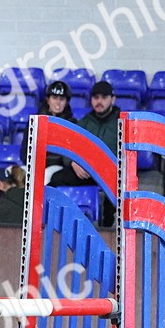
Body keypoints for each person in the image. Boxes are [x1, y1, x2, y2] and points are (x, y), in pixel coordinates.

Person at [55, 80, 120, 225]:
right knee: (56, 178)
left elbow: (126, 154)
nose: (99, 102)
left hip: (109, 173)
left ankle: (107, 228)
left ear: (112, 99)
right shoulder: (84, 122)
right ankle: (55, 220)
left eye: (104, 98)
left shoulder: (122, 122)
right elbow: (69, 148)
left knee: (115, 184)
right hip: (85, 171)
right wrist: (73, 162)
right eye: (96, 98)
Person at [27, 80, 78, 186]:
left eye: (62, 99)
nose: (58, 102)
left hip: (58, 167)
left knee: (45, 176)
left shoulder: (72, 124)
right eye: (54, 98)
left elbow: (70, 154)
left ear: (67, 102)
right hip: (34, 164)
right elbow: (25, 150)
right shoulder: (35, 121)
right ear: (48, 100)